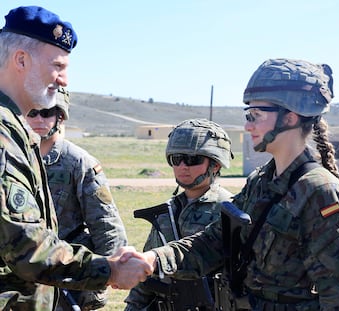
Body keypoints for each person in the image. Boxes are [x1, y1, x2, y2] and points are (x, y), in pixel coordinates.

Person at [129, 58, 339, 310]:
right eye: (248, 115)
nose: (248, 125)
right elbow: (214, 241)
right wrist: (153, 258)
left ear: (290, 118)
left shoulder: (318, 191)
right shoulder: (261, 182)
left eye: (256, 115)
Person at [0, 5, 151, 310]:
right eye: (57, 65)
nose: (64, 79)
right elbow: (27, 247)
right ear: (20, 59)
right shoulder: (4, 136)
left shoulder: (15, 129)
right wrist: (109, 269)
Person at [25, 87, 129, 311]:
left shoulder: (78, 162)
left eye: (46, 112)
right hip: (21, 274)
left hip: (67, 275)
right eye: (32, 112)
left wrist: (112, 272)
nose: (38, 119)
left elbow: (105, 224)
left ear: (59, 116)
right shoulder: (15, 158)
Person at [124, 118, 234, 310]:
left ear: (215, 165)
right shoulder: (167, 212)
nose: (183, 166)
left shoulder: (229, 210)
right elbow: (146, 278)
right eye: (177, 159)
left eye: (193, 160)